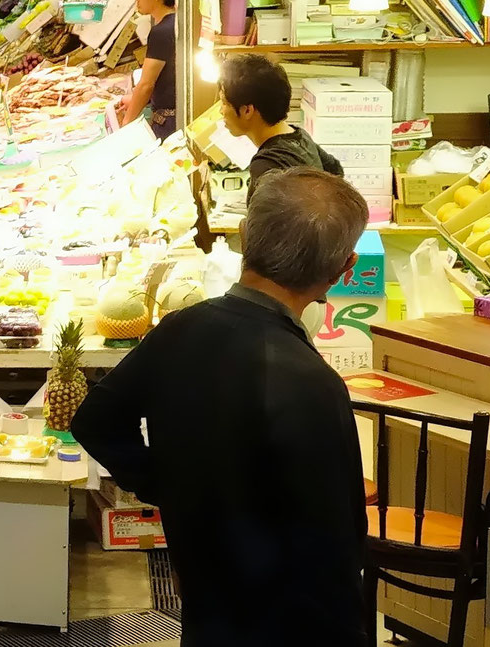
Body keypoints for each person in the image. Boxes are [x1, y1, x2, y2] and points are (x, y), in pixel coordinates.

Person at [71, 169, 370, 645]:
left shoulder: (178, 330)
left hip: (206, 597)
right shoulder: (312, 382)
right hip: (290, 623)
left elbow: (96, 421)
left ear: (246, 238)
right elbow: (338, 540)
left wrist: (167, 485)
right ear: (343, 268)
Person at [220, 53, 344, 195]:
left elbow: (262, 218)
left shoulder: (267, 166)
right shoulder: (300, 136)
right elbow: (336, 171)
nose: (220, 111)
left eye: (224, 103)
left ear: (247, 110)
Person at [120, 0, 179, 139]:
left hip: (168, 123)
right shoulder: (173, 23)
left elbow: (146, 84)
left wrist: (126, 124)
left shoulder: (161, 32)